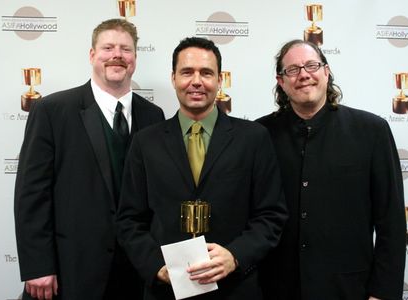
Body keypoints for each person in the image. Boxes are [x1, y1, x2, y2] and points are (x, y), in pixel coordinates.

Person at [116, 37, 288, 300]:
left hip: (235, 288)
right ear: (173, 78)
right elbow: (129, 219)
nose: (196, 81)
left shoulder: (253, 138)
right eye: (187, 72)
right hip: (167, 290)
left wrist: (235, 255)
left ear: (220, 80)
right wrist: (155, 266)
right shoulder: (145, 142)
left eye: (206, 73)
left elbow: (271, 214)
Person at [14, 18, 164, 300]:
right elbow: (31, 194)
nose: (117, 55)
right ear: (92, 55)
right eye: (108, 47)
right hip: (72, 270)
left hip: (136, 272)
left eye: (126, 49)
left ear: (135, 58)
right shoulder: (52, 110)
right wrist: (38, 266)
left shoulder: (153, 116)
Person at [256, 39, 406, 300]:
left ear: (326, 72)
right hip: (276, 289)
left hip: (350, 290)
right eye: (292, 70)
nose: (304, 74)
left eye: (312, 65)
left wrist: (382, 293)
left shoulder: (371, 131)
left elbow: (391, 222)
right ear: (281, 82)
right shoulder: (260, 135)